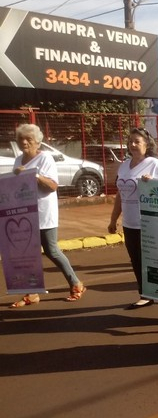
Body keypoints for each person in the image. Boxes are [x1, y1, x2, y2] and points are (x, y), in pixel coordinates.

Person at [8, 124, 86, 308]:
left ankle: (76, 284)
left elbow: (52, 185)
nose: (24, 142)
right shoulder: (18, 159)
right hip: (24, 214)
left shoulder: (45, 159)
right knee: (27, 253)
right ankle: (32, 292)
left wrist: (32, 176)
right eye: (21, 139)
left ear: (37, 142)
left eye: (29, 139)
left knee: (51, 250)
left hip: (44, 213)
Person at [108, 128, 158, 309]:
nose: (133, 145)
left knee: (153, 259)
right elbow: (120, 194)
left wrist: (153, 182)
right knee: (136, 259)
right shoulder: (124, 165)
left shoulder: (154, 164)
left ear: (147, 144)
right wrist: (113, 219)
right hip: (130, 222)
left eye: (137, 141)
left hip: (149, 222)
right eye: (130, 142)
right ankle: (145, 294)